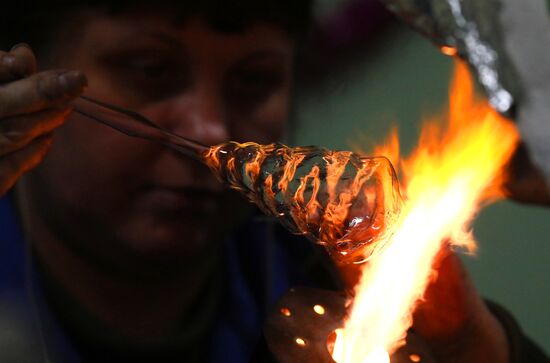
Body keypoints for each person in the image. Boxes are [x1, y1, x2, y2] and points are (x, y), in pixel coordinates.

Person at [0, 1, 547, 362]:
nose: (210, 127)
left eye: (254, 80)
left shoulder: (319, 280)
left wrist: (477, 351)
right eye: (150, 69)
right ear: (29, 70)